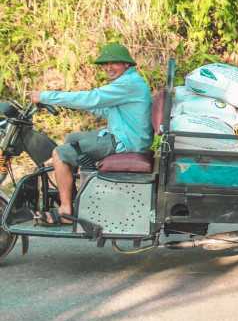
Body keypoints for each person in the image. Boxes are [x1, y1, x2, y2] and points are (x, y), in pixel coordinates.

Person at [30, 43, 153, 225]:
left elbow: (92, 98)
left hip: (125, 142)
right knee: (71, 138)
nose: (108, 68)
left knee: (60, 153)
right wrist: (72, 104)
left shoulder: (128, 84)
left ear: (126, 64)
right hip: (124, 135)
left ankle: (65, 210)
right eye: (104, 64)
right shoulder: (127, 83)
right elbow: (103, 110)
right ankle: (74, 197)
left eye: (114, 63)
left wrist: (47, 96)